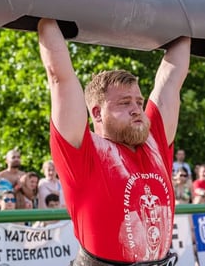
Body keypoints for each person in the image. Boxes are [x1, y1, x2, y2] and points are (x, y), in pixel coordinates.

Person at [38, 18, 190, 265]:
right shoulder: (83, 153)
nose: (136, 109)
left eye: (139, 102)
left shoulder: (154, 143)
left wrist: (188, 17)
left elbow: (171, 80)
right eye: (124, 103)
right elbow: (59, 77)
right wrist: (43, 10)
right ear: (97, 113)